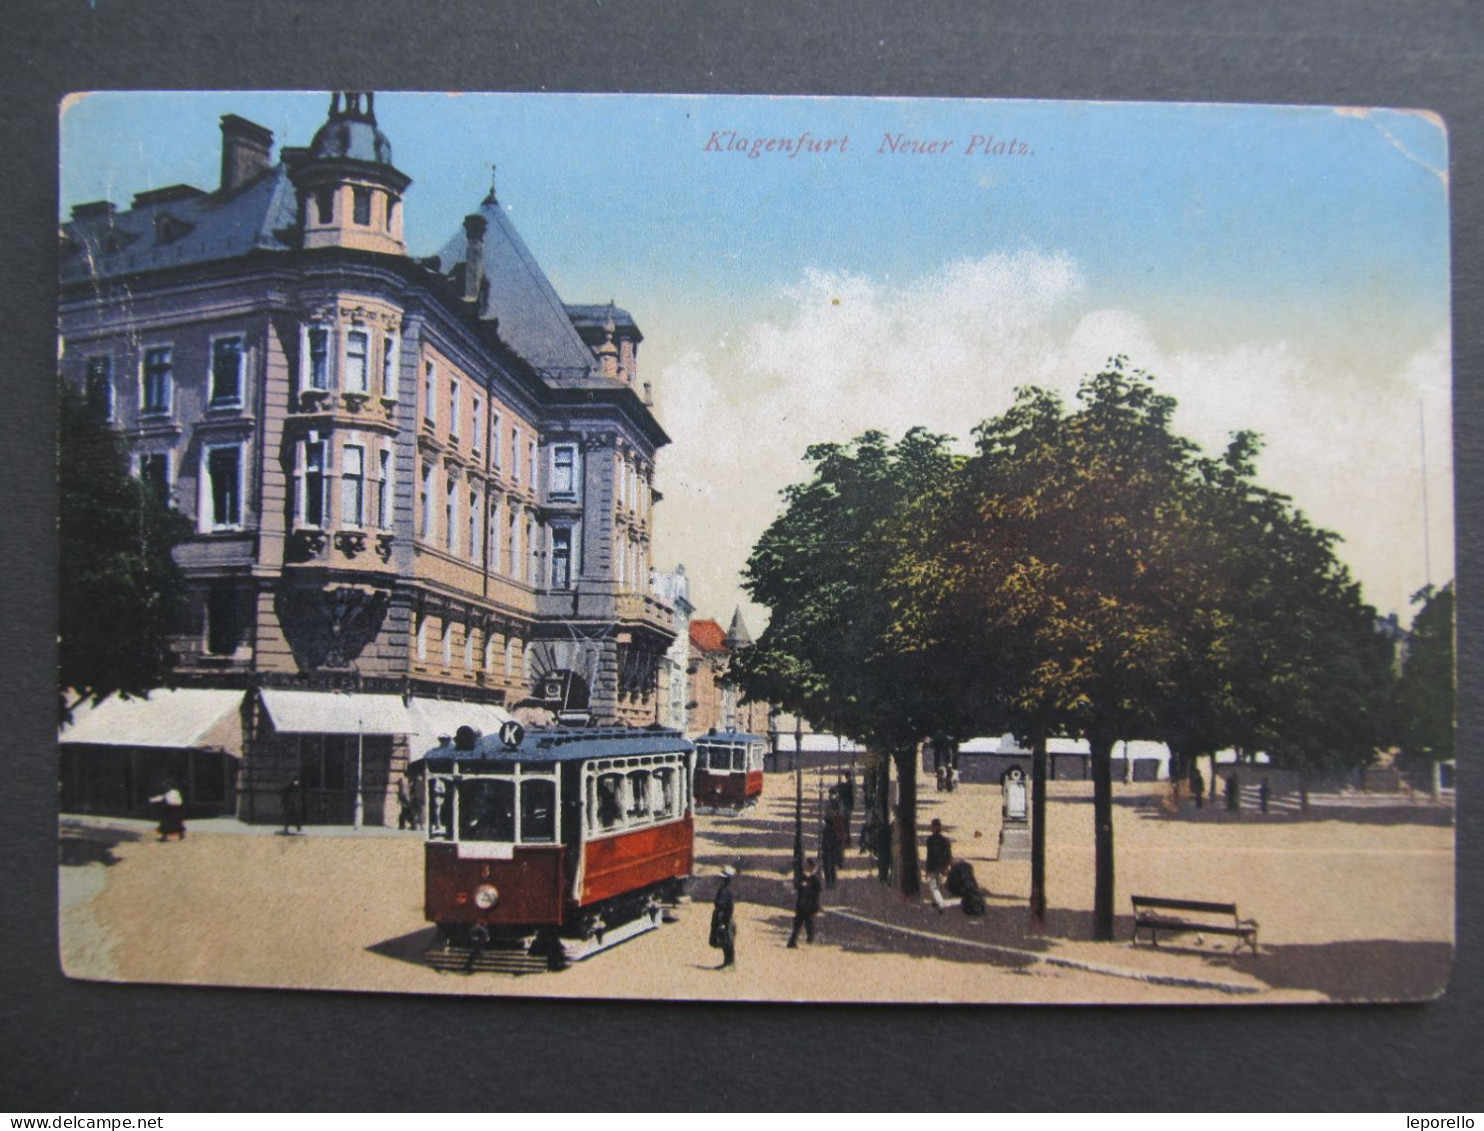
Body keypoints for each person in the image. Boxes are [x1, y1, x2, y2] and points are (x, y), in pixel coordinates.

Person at [787, 858, 823, 947]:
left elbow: (817, 891)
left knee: (805, 923)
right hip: (805, 905)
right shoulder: (807, 878)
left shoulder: (813, 879)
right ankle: (803, 940)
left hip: (806, 905)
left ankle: (806, 940)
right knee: (804, 923)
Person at [709, 865, 737, 969]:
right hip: (725, 918)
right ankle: (727, 962)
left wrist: (722, 923)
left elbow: (725, 908)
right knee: (726, 941)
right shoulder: (727, 890)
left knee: (727, 941)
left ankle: (729, 963)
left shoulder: (725, 891)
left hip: (724, 918)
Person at [924, 818, 953, 913]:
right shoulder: (945, 841)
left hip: (933, 867)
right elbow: (949, 855)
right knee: (938, 886)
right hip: (941, 867)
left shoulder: (930, 841)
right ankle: (935, 904)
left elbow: (929, 856)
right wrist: (948, 866)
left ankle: (941, 904)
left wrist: (927, 869)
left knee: (933, 887)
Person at [820, 815, 841, 889]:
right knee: (830, 868)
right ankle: (831, 882)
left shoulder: (827, 832)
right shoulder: (830, 831)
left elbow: (826, 842)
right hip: (830, 852)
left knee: (828, 868)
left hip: (828, 852)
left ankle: (829, 882)